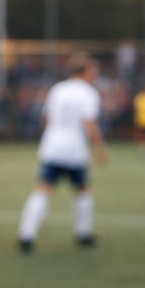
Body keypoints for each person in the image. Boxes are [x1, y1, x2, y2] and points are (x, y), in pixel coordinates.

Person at [17, 53, 108, 251]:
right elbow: (89, 124)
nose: (95, 75)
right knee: (82, 190)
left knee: (43, 189)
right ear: (85, 71)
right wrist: (99, 148)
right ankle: (83, 234)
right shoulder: (88, 93)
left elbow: (46, 120)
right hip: (75, 150)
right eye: (93, 71)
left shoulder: (57, 89)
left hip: (52, 146)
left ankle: (26, 234)